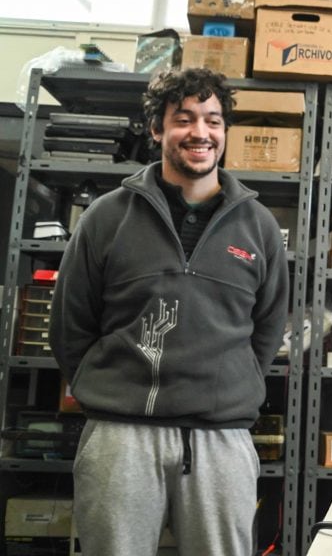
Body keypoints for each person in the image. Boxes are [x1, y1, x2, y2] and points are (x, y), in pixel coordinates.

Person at [49, 68, 290, 554]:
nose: (201, 133)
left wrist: (227, 387)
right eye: (184, 119)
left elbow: (267, 328)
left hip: (220, 440)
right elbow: (69, 326)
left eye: (213, 121)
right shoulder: (107, 217)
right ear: (157, 129)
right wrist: (113, 391)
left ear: (224, 132)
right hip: (121, 437)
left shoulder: (259, 227)